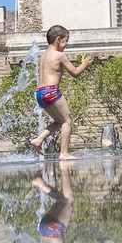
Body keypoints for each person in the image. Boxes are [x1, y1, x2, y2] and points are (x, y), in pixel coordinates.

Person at [29, 25, 94, 161]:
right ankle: (64, 153)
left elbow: (50, 73)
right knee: (68, 120)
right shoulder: (59, 55)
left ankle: (38, 140)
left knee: (59, 121)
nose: (66, 45)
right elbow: (75, 73)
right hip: (51, 91)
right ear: (58, 40)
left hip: (40, 93)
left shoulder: (43, 55)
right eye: (65, 41)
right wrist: (84, 64)